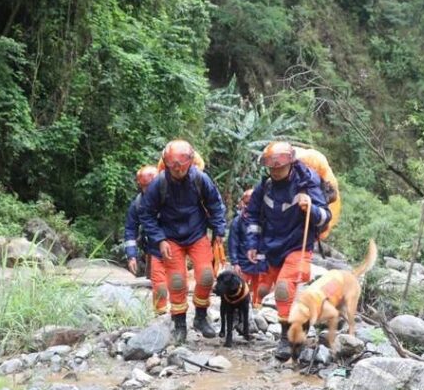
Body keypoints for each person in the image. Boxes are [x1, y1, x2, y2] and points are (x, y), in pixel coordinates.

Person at [245, 141, 331, 360]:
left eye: (279, 167)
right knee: (265, 289)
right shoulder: (264, 186)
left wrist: (310, 206)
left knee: (284, 288)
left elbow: (325, 216)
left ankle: (285, 338)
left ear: (290, 164)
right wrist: (252, 244)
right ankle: (298, 329)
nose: (275, 171)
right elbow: (253, 215)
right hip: (271, 244)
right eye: (271, 168)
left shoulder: (307, 182)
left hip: (297, 243)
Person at [140, 140, 228, 343]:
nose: (177, 171)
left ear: (189, 163)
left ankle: (200, 316)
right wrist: (159, 239)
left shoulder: (200, 178)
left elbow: (215, 204)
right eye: (173, 167)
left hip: (197, 234)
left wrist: (219, 230)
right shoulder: (159, 183)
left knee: (206, 276)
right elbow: (147, 215)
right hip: (170, 237)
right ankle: (179, 323)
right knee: (178, 280)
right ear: (167, 165)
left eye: (181, 167)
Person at [124, 165, 167, 314]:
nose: (147, 190)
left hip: (176, 246)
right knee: (158, 284)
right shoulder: (138, 204)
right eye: (144, 187)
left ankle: (181, 316)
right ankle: (160, 315)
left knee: (177, 282)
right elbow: (130, 229)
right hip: (154, 250)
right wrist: (131, 256)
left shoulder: (172, 198)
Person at [227, 188, 267, 308]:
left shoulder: (265, 219)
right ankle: (239, 308)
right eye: (247, 203)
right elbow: (233, 243)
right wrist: (235, 263)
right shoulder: (237, 222)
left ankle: (257, 307)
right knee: (240, 287)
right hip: (243, 261)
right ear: (242, 204)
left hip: (260, 261)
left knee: (260, 288)